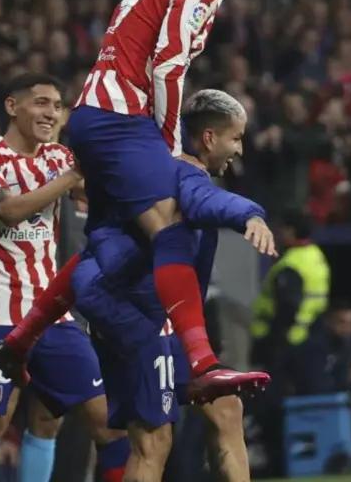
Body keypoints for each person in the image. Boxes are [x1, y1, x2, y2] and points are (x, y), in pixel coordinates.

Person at [0, 0, 276, 404]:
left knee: (111, 239)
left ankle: (19, 340)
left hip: (99, 117)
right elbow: (167, 67)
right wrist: (166, 143)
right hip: (122, 118)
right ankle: (203, 363)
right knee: (171, 222)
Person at [73, 89, 265, 481]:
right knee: (153, 441)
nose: (239, 150)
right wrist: (250, 214)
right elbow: (205, 202)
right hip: (144, 320)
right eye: (236, 138)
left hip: (167, 322)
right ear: (209, 137)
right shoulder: (178, 175)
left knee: (226, 409)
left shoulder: (159, 172)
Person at [0, 73, 130, 482]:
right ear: (13, 107)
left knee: (110, 423)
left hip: (52, 316)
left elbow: (105, 190)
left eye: (58, 106)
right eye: (42, 103)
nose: (52, 113)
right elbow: (9, 210)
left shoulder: (59, 157)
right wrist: (69, 178)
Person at [250, 210, 331, 369]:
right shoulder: (315, 255)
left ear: (291, 230)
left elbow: (288, 307)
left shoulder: (292, 264)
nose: (278, 233)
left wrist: (272, 344)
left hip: (283, 341)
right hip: (306, 335)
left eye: (281, 228)